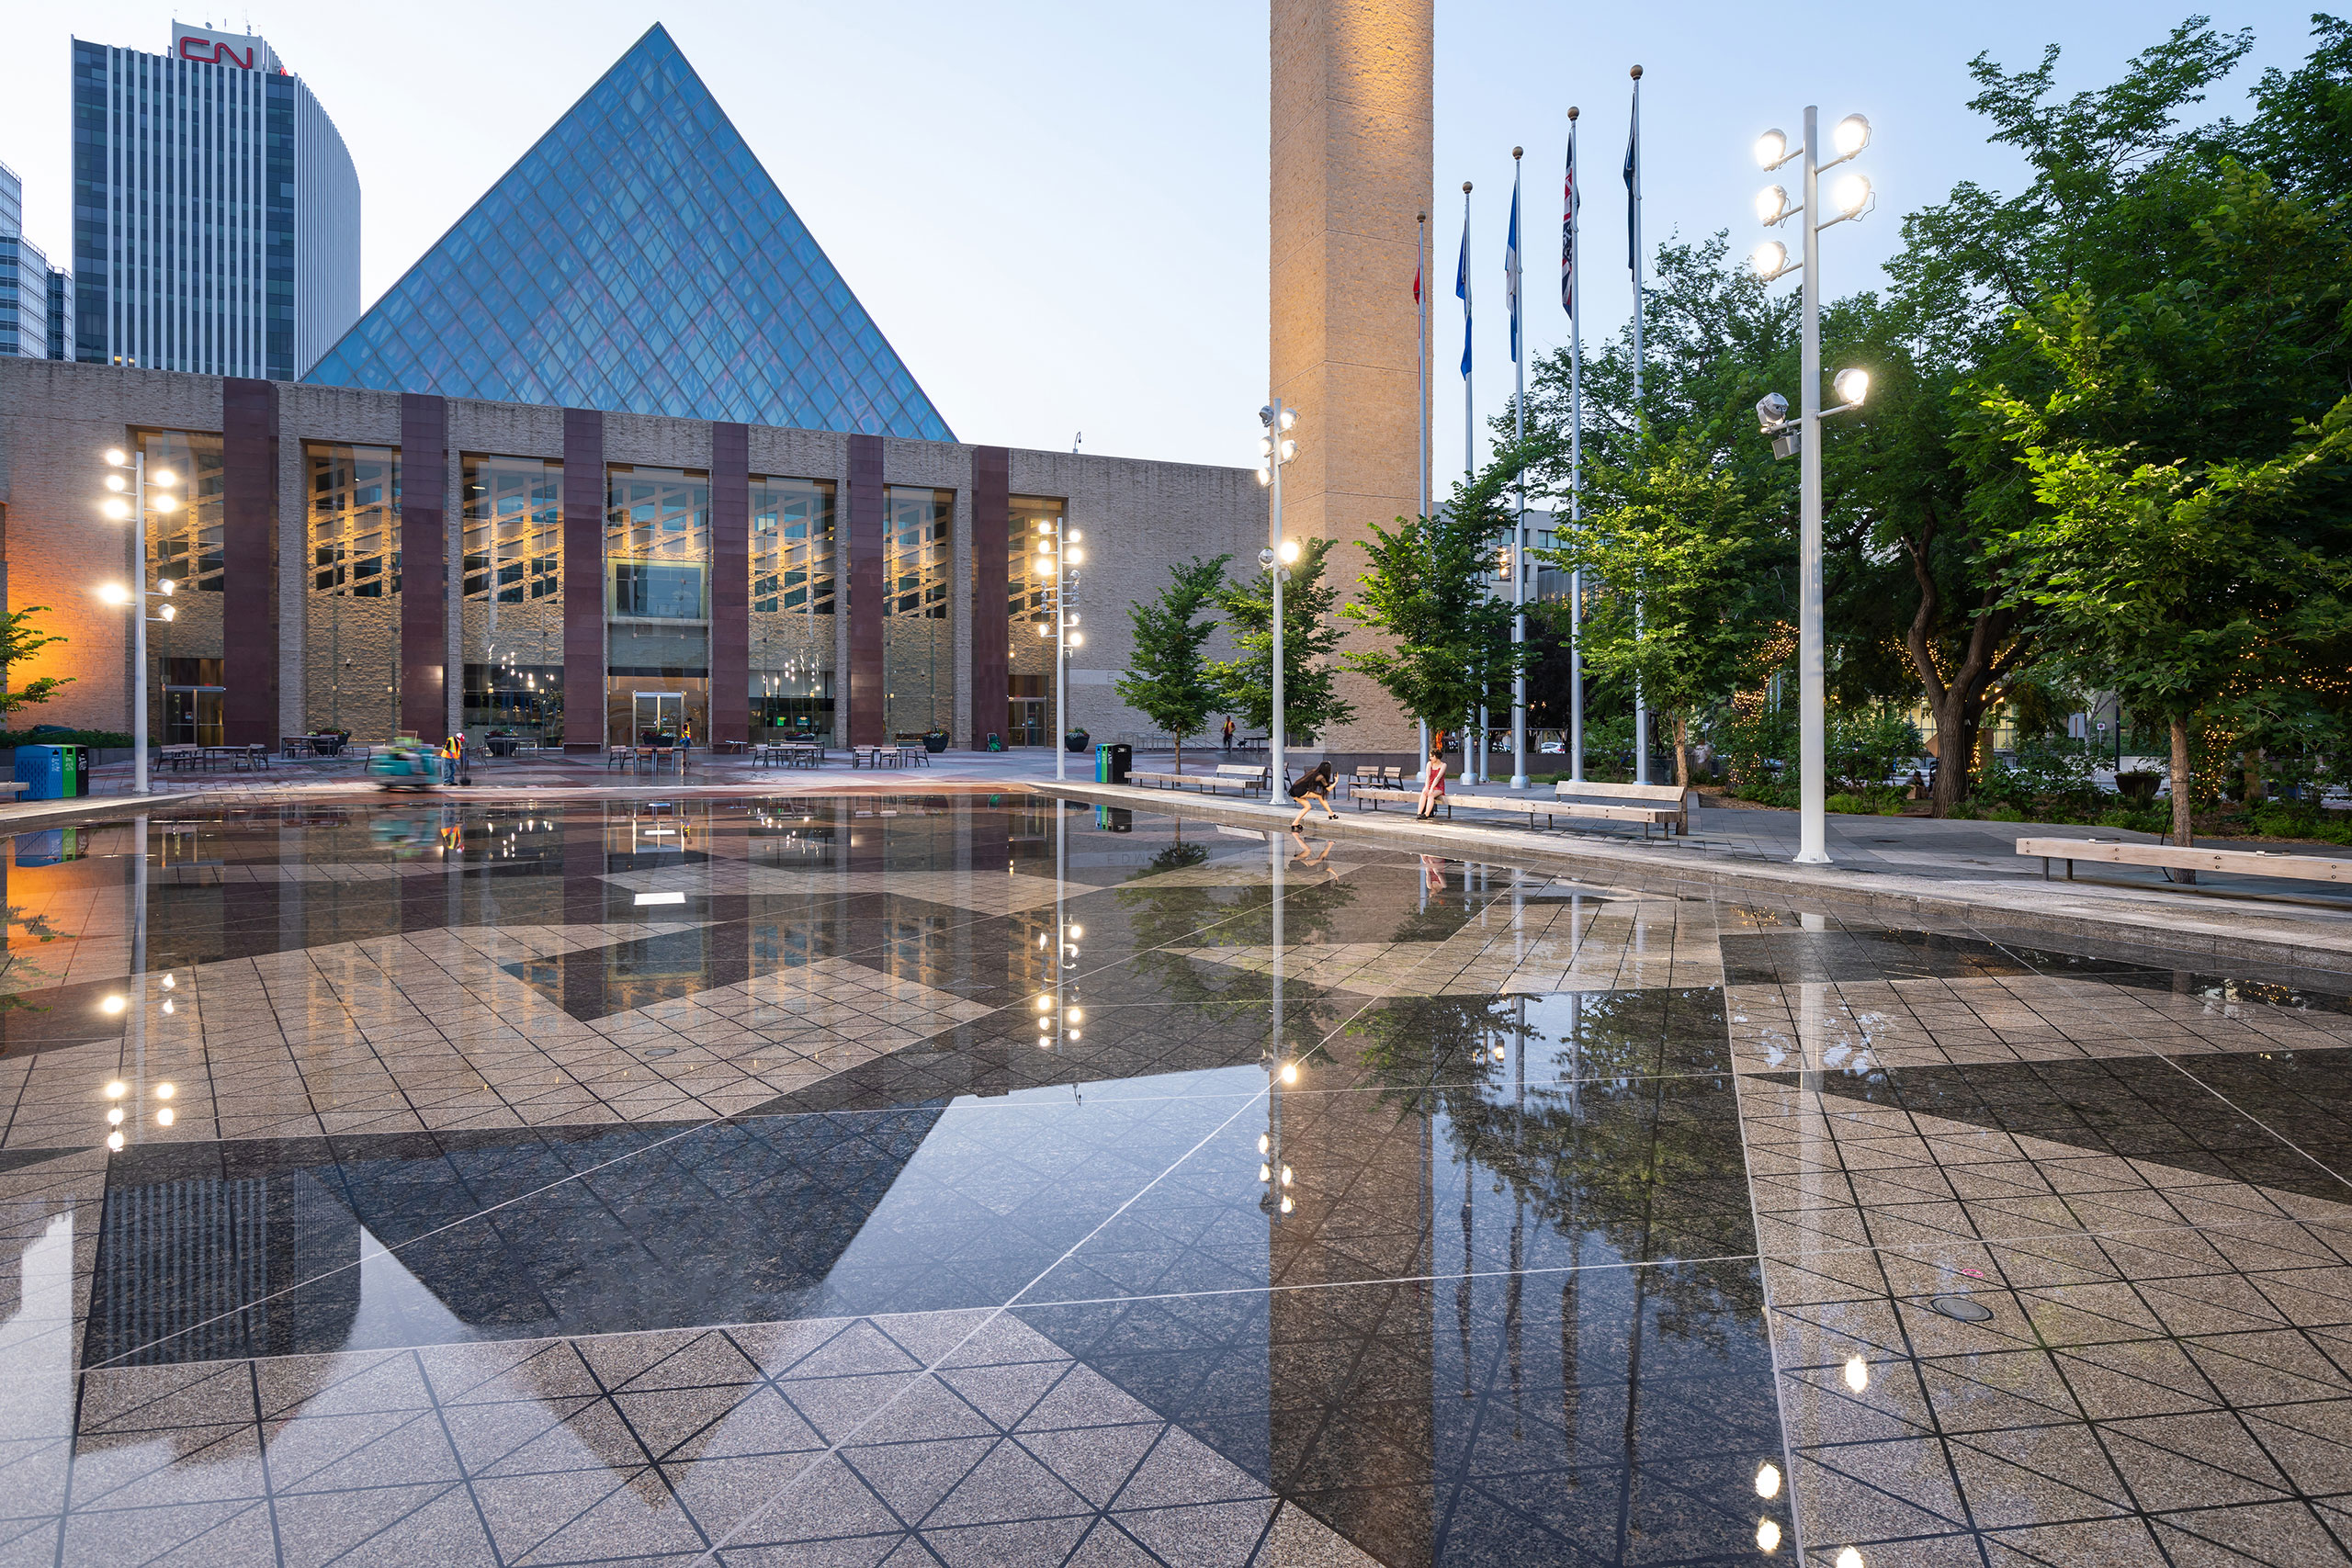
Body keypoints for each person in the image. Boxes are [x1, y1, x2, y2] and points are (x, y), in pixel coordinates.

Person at [1288, 759, 1338, 829]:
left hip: (1294, 790)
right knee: (1320, 796)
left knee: (1308, 807)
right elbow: (1328, 788)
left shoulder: (1314, 772)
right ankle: (1331, 813)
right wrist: (1336, 782)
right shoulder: (1321, 776)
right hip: (1300, 790)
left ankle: (1295, 823)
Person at [1415, 751, 1447, 819]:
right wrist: (1427, 787)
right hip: (1429, 785)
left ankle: (1426, 814)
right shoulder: (1429, 764)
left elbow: (1438, 777)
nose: (1430, 758)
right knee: (1424, 792)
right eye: (1430, 757)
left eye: (1432, 756)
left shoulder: (1443, 765)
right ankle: (1419, 813)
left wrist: (1432, 788)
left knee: (1431, 794)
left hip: (1439, 787)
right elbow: (1428, 776)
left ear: (1436, 756)